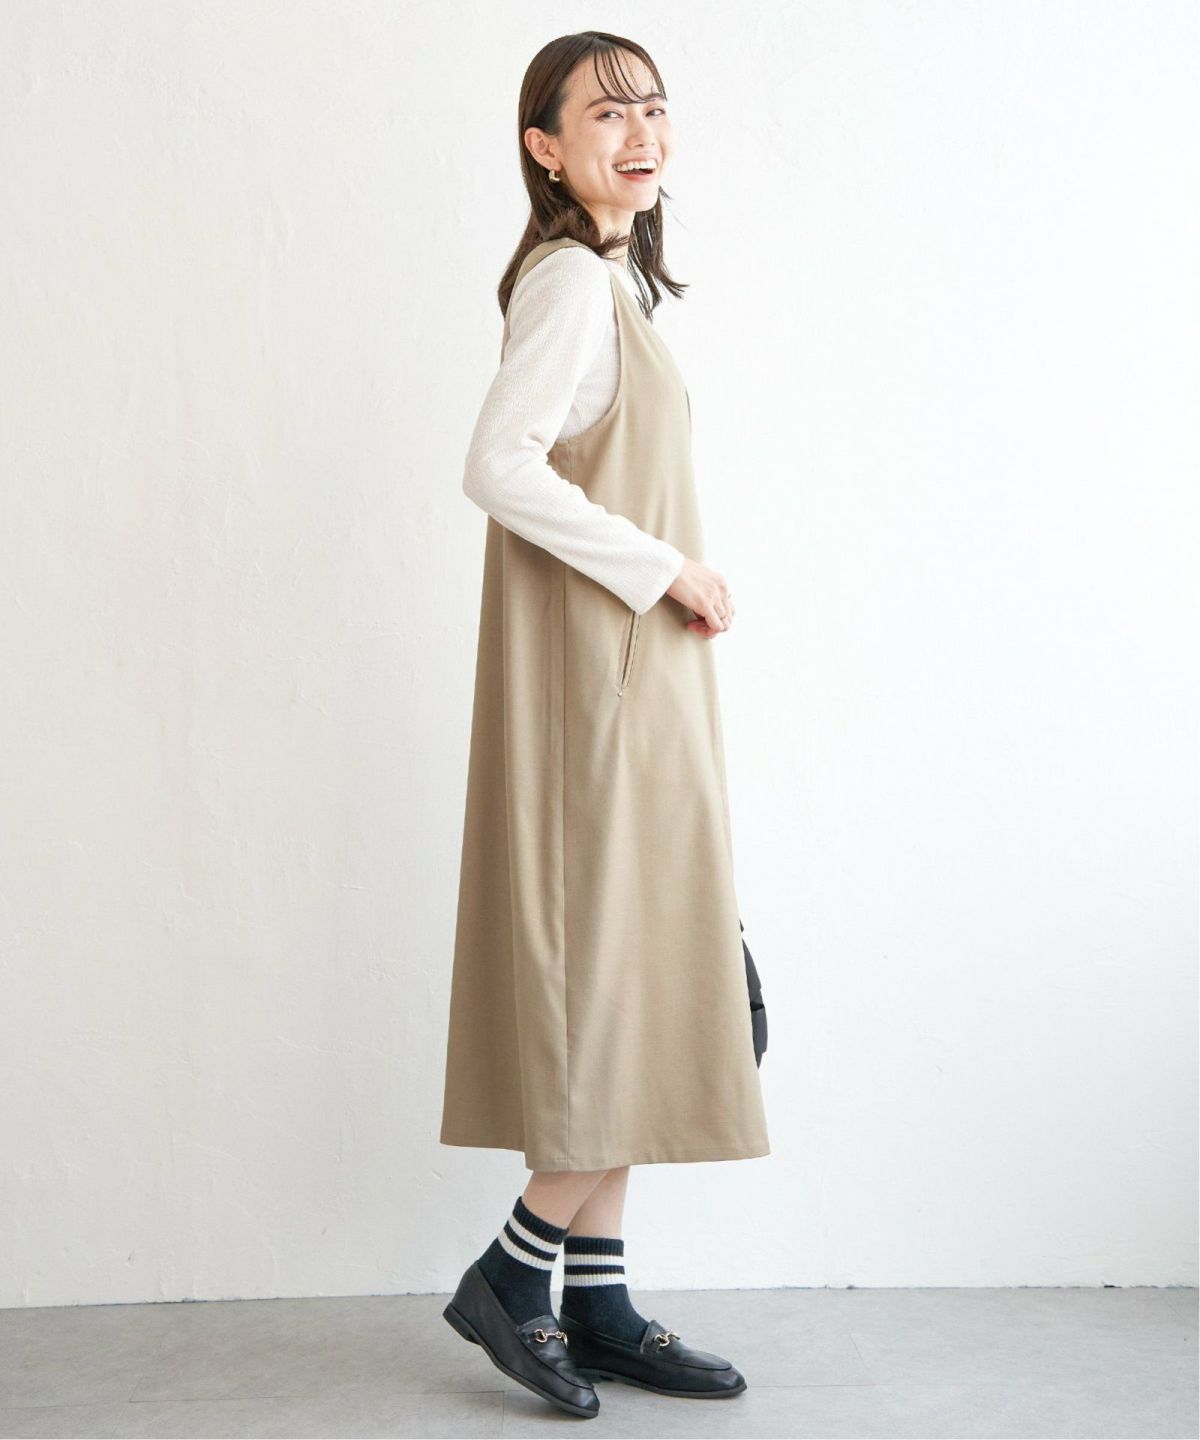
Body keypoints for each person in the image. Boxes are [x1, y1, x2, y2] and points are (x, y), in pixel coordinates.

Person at [438, 31, 769, 1419]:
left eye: (654, 108)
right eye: (604, 113)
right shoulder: (573, 282)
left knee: (649, 972)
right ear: (545, 147)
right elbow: (497, 465)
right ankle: (515, 1274)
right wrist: (666, 566)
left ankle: (600, 1301)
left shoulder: (614, 283)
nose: (640, 134)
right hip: (602, 691)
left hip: (634, 683)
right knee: (628, 982)